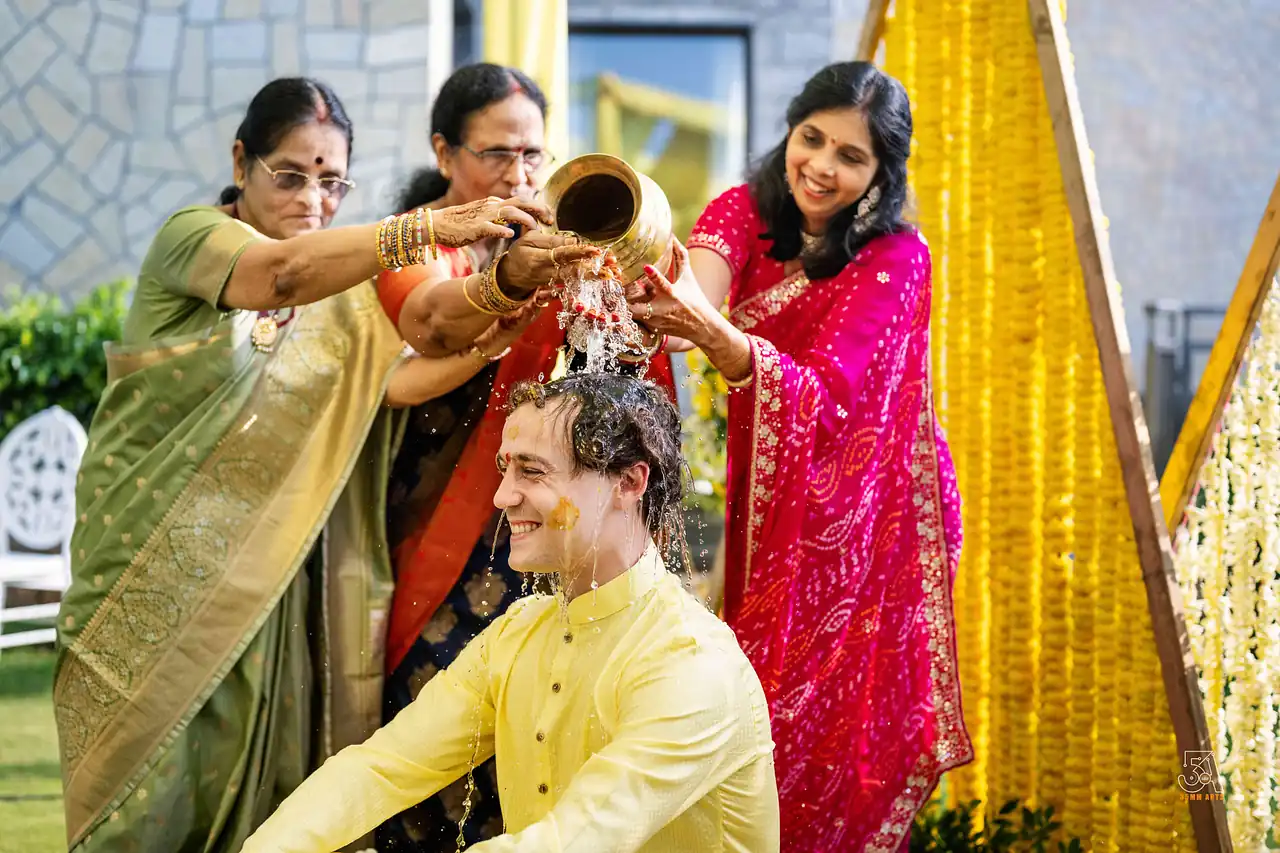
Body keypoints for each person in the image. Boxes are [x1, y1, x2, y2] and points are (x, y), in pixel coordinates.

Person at [52, 76, 571, 853]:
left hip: (267, 568)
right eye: (290, 176)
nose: (313, 200)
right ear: (241, 162)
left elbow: (392, 384)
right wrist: (429, 227)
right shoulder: (194, 237)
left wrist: (499, 327)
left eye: (332, 184)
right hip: (151, 561)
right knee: (146, 793)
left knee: (256, 780)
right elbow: (278, 274)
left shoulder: (337, 278)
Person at [625, 61, 972, 851]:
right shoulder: (743, 209)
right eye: (811, 138)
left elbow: (833, 392)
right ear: (790, 130)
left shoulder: (898, 256)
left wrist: (709, 334)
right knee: (754, 703)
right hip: (774, 493)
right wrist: (654, 306)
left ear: (882, 173)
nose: (820, 166)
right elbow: (696, 299)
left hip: (875, 516)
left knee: (838, 725)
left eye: (851, 156)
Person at [237, 373, 780, 853]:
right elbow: (381, 769)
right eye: (505, 470)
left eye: (532, 472)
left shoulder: (690, 664)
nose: (501, 496)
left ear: (628, 483)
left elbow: (569, 842)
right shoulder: (518, 635)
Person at [372, 63, 615, 850]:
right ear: (445, 153)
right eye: (497, 154)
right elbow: (430, 325)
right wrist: (512, 289)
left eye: (533, 154)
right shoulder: (408, 239)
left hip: (536, 535)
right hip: (429, 524)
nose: (519, 174)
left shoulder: (553, 244)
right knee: (429, 717)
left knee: (534, 727)